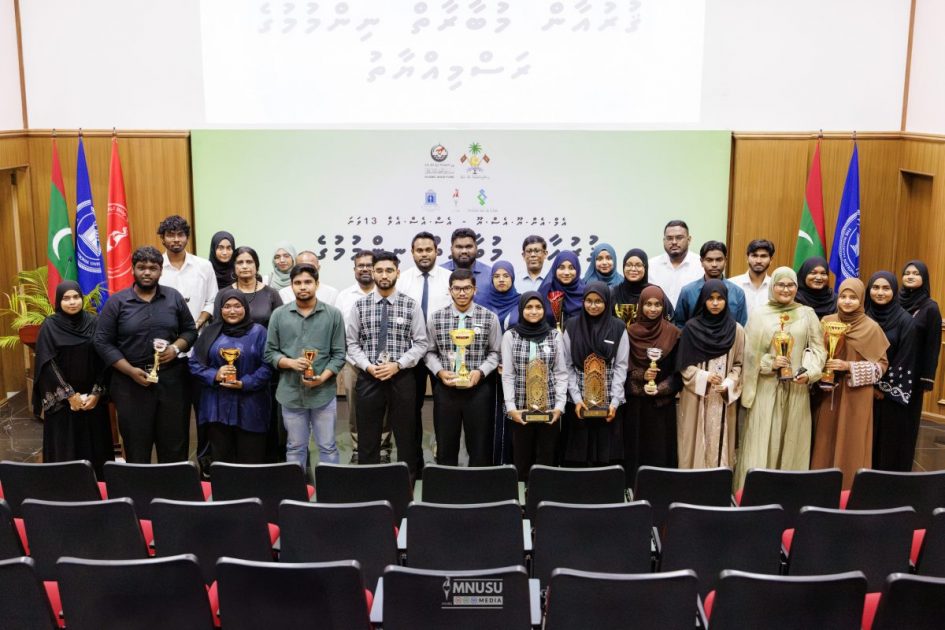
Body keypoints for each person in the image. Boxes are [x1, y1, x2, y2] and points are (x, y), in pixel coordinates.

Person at [94, 246, 198, 463]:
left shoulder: (173, 297)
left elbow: (190, 331)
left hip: (171, 382)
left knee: (174, 445)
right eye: (142, 267)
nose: (147, 272)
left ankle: (174, 484)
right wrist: (130, 371)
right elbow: (102, 342)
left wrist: (175, 348)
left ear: (161, 271)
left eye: (153, 268)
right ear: (133, 269)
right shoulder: (117, 302)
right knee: (136, 447)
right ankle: (139, 485)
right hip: (130, 384)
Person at [735, 267, 825, 490]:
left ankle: (788, 494)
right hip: (766, 388)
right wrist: (770, 363)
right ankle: (754, 493)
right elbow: (749, 354)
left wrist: (809, 372)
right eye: (781, 285)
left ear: (796, 287)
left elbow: (818, 350)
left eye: (790, 285)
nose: (786, 289)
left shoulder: (807, 314)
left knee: (792, 443)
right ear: (772, 286)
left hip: (796, 389)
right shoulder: (759, 315)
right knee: (761, 440)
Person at [346, 251, 429, 478]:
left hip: (401, 377)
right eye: (380, 270)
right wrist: (367, 366)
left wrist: (398, 365)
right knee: (368, 435)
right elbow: (352, 343)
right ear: (373, 272)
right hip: (369, 376)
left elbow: (421, 343)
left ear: (397, 273)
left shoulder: (410, 305)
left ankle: (407, 483)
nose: (384, 275)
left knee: (406, 435)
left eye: (389, 270)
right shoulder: (360, 306)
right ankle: (370, 482)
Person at [266, 263, 347, 469]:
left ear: (317, 284)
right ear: (291, 286)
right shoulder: (279, 315)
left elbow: (339, 355)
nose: (303, 287)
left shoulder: (333, 315)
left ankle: (330, 488)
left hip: (323, 394)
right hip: (290, 393)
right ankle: (296, 488)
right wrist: (291, 363)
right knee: (295, 447)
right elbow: (270, 352)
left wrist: (322, 378)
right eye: (298, 283)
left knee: (328, 446)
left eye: (308, 282)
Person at [811, 278, 889, 489]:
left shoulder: (871, 328)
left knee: (852, 441)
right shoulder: (826, 322)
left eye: (853, 297)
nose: (846, 301)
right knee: (825, 440)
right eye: (843, 296)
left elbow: (881, 367)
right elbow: (815, 352)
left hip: (856, 396)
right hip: (828, 393)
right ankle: (820, 487)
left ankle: (849, 489)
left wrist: (849, 366)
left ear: (861, 299)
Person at [34, 281, 112, 476]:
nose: (72, 302)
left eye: (76, 297)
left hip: (92, 401)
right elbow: (47, 363)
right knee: (66, 448)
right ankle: (65, 487)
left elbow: (104, 358)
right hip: (63, 403)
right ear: (58, 301)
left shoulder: (94, 322)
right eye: (66, 298)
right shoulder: (50, 326)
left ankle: (99, 487)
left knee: (96, 446)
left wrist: (97, 392)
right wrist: (69, 395)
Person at [425, 269, 501, 466]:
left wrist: (480, 372)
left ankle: (478, 483)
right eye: (457, 288)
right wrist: (440, 371)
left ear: (475, 290)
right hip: (446, 388)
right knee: (446, 444)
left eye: (467, 288)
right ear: (450, 290)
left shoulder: (489, 318)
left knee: (479, 446)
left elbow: (495, 353)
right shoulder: (436, 318)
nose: (462, 293)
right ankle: (447, 483)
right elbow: (429, 352)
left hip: (478, 389)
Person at [189, 289, 273, 464]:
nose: (232, 311)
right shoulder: (210, 332)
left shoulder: (260, 332)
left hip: (251, 406)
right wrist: (215, 375)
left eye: (237, 306)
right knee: (222, 462)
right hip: (217, 408)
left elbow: (268, 366)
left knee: (251, 461)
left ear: (246, 308)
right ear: (220, 309)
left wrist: (244, 383)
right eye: (227, 306)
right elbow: (194, 364)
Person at [676, 280, 745, 469]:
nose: (715, 303)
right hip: (696, 398)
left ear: (726, 301)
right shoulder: (691, 329)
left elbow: (739, 364)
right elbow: (683, 365)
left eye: (720, 298)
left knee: (721, 444)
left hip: (723, 400)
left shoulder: (737, 330)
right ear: (703, 300)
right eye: (710, 298)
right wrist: (704, 376)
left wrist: (729, 383)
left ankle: (718, 483)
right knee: (694, 445)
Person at [399, 232, 453, 474]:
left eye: (428, 250)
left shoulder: (449, 279)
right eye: (419, 250)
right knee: (411, 409)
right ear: (412, 253)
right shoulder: (403, 280)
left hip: (443, 354)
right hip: (411, 354)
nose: (424, 254)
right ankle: (415, 462)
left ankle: (444, 459)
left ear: (436, 252)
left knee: (444, 408)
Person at [501, 292, 568, 481]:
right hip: (521, 410)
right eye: (528, 307)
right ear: (521, 310)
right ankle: (522, 498)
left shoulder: (555, 335)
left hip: (549, 409)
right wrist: (511, 408)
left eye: (538, 307)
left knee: (546, 461)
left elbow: (561, 373)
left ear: (544, 310)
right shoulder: (510, 336)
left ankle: (545, 497)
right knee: (521, 460)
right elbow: (508, 375)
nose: (533, 311)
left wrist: (559, 407)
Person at [561, 282, 629, 466]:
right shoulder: (571, 326)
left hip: (609, 406)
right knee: (578, 460)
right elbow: (567, 366)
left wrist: (614, 402)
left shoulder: (618, 327)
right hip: (578, 405)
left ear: (607, 302)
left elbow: (621, 366)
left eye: (598, 301)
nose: (593, 305)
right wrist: (577, 399)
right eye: (588, 301)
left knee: (606, 461)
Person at [335, 250, 391, 464]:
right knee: (354, 408)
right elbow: (341, 331)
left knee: (384, 406)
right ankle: (358, 446)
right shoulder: (344, 296)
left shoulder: (386, 293)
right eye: (361, 265)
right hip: (353, 362)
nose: (365, 269)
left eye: (369, 265)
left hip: (383, 363)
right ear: (354, 270)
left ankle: (383, 446)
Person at [624, 285, 681, 477]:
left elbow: (678, 373)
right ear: (640, 305)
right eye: (648, 304)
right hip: (636, 406)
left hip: (662, 406)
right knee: (636, 450)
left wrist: (660, 388)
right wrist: (642, 376)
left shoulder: (673, 333)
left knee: (660, 452)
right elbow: (623, 369)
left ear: (664, 306)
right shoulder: (630, 333)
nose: (653, 309)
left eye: (658, 304)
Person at [866, 272, 916, 471]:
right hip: (862, 390)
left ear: (894, 291)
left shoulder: (906, 321)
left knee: (886, 445)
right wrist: (868, 385)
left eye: (886, 288)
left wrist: (881, 388)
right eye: (875, 287)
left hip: (888, 397)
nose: (880, 292)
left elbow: (906, 358)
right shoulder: (863, 316)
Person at [899, 260, 942, 466]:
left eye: (916, 273)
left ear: (924, 278)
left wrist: (926, 379)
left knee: (906, 424)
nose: (910, 276)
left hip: (913, 376)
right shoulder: (894, 301)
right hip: (890, 370)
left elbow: (933, 346)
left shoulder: (930, 308)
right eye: (907, 273)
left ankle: (902, 467)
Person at [479, 260, 521, 464]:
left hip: (514, 370)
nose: (501, 280)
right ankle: (490, 463)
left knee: (511, 413)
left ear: (512, 278)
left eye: (506, 276)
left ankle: (511, 462)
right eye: (497, 276)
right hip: (487, 370)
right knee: (488, 417)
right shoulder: (481, 302)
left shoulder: (522, 302)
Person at [157, 215, 216, 333]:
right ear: (162, 238)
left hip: (198, 336)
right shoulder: (155, 268)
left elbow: (212, 301)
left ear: (187, 238)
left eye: (180, 234)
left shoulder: (204, 266)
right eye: (170, 235)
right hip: (165, 337)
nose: (176, 239)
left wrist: (198, 323)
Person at [673, 241, 748, 328]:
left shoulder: (737, 293)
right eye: (709, 260)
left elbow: (740, 325)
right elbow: (680, 325)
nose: (714, 265)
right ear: (701, 261)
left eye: (719, 260)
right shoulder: (688, 292)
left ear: (725, 261)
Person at [648, 220, 704, 308]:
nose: (674, 242)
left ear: (689, 240)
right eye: (669, 238)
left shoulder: (701, 265)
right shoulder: (651, 265)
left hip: (691, 316)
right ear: (664, 240)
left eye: (679, 238)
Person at [226, 246, 283, 328]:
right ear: (234, 267)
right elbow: (217, 326)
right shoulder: (224, 294)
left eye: (249, 262)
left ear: (257, 266)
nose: (244, 266)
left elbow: (280, 325)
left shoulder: (272, 294)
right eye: (240, 262)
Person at [537, 250, 586, 326]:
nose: (566, 273)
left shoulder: (585, 292)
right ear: (554, 269)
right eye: (561, 268)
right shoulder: (545, 291)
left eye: (571, 268)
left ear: (577, 269)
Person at [728, 239, 774, 315]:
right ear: (747, 258)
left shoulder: (775, 287)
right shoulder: (731, 285)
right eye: (754, 255)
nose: (758, 261)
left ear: (771, 260)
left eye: (763, 256)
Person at [611, 248, 653, 316]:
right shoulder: (614, 293)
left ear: (645, 267)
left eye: (638, 265)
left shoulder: (654, 292)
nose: (633, 269)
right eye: (629, 265)